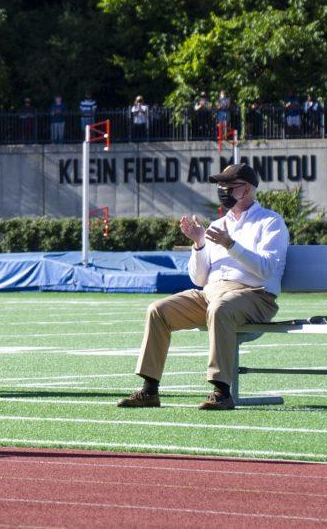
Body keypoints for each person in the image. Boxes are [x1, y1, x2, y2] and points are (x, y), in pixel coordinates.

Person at [118, 162, 288, 411]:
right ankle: (150, 389)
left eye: (230, 185)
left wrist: (232, 245)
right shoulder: (217, 225)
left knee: (221, 308)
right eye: (221, 185)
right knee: (158, 309)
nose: (223, 190)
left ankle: (221, 391)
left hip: (255, 296)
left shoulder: (270, 222)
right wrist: (198, 243)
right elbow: (198, 279)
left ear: (248, 188)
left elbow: (267, 270)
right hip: (211, 293)